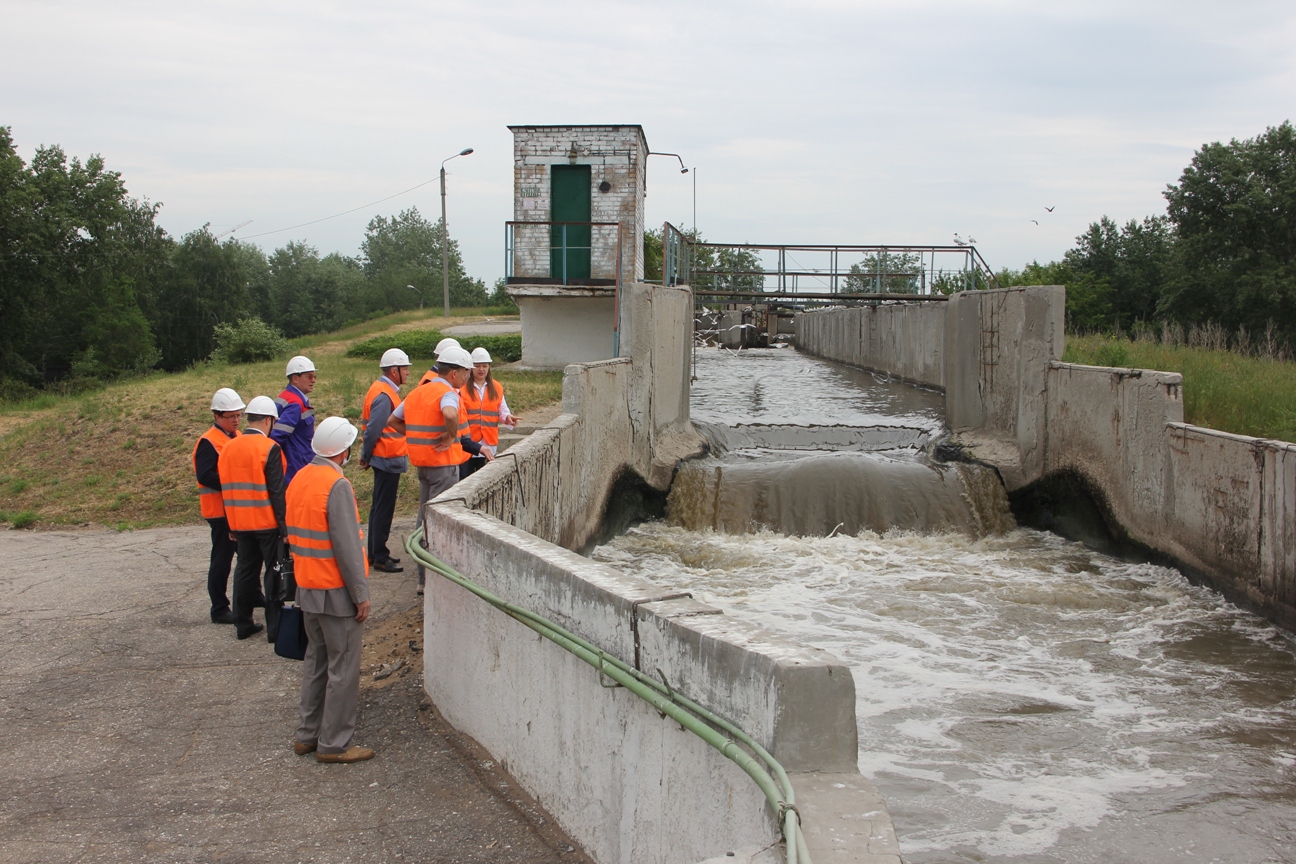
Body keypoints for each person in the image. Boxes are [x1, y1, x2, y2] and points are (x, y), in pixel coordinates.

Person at [286, 416, 374, 764]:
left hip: (307, 587)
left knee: (316, 662)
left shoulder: (301, 478)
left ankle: (307, 736)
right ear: (343, 450)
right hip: (336, 591)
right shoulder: (336, 485)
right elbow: (348, 546)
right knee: (344, 667)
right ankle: (335, 743)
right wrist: (360, 593)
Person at [389, 346, 473, 594]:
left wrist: (416, 436)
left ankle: (422, 578)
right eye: (466, 373)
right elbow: (449, 412)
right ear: (455, 373)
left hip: (422, 465)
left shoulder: (418, 392)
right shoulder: (448, 393)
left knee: (423, 518)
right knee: (437, 522)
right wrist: (450, 435)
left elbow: (392, 420)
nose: (467, 378)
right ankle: (431, 581)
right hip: (443, 466)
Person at [220, 395, 289, 642]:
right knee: (273, 573)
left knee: (244, 571)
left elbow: (226, 489)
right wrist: (284, 527)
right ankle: (274, 629)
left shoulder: (228, 447)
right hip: (267, 523)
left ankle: (243, 624)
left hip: (240, 523)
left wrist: (230, 524)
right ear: (269, 420)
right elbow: (277, 491)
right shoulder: (269, 448)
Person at [192, 388, 244, 624]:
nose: (235, 420)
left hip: (236, 509)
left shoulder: (236, 436)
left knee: (246, 556)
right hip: (219, 511)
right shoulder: (208, 442)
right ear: (217, 416)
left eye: (238, 415)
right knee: (222, 559)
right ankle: (219, 608)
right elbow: (205, 475)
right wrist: (232, 483)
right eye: (230, 416)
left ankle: (251, 595)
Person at [359, 348, 410, 573]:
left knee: (378, 507)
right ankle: (380, 555)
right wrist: (365, 455)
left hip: (386, 457)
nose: (408, 373)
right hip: (386, 458)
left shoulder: (384, 390)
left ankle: (374, 552)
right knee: (383, 509)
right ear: (393, 371)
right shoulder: (385, 395)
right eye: (405, 369)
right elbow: (373, 430)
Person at [458, 347, 520, 479]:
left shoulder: (496, 387)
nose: (481, 369)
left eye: (484, 366)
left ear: (489, 367)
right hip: (468, 443)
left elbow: (502, 410)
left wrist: (508, 418)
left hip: (489, 443)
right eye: (477, 366)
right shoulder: (461, 388)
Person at [273, 355, 317, 484]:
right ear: (295, 378)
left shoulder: (286, 397)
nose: (313, 380)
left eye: (314, 376)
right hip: (296, 468)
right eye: (309, 376)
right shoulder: (295, 404)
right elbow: (277, 437)